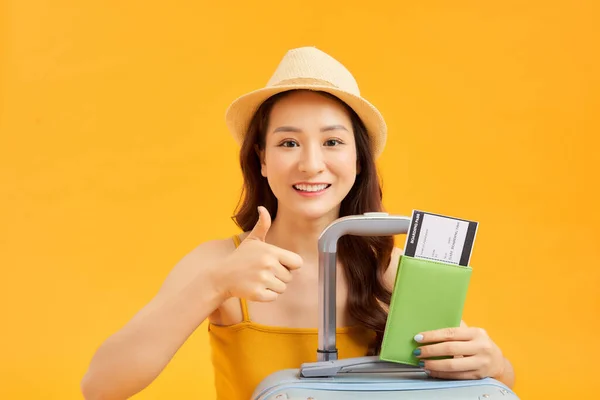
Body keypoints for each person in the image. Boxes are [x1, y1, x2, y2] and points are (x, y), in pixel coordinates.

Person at [81, 46, 515, 400]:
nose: (310, 164)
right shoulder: (218, 263)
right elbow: (101, 386)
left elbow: (479, 385)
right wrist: (215, 286)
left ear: (358, 161)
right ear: (263, 160)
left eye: (332, 142)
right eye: (288, 142)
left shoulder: (395, 270)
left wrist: (493, 363)